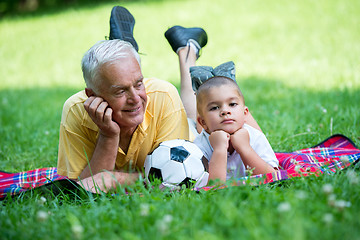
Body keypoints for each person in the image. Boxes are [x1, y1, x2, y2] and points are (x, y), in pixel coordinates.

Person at [56, 6, 208, 191]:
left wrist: (113, 179)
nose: (136, 99)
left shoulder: (162, 95)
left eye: (139, 83)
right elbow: (82, 190)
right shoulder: (76, 110)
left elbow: (173, 178)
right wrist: (108, 135)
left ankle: (187, 48)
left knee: (196, 117)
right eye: (120, 91)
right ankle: (122, 53)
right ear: (92, 96)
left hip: (190, 134)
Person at [164, 28, 279, 183]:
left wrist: (244, 149)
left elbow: (273, 177)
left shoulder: (255, 138)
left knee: (208, 100)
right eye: (215, 108)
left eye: (232, 104)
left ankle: (187, 49)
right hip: (192, 130)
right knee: (192, 112)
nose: (225, 111)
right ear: (202, 122)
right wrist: (219, 150)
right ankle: (187, 50)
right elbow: (214, 186)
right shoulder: (200, 145)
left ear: (246, 113)